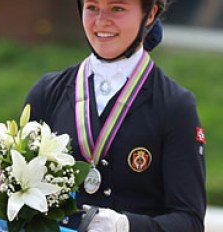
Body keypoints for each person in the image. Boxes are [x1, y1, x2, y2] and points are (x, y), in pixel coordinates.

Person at [24, 0, 206, 231]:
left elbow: (188, 221)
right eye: (92, 8)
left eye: (117, 8)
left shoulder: (176, 107)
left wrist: (126, 225)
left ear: (149, 14)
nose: (101, 21)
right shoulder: (46, 93)